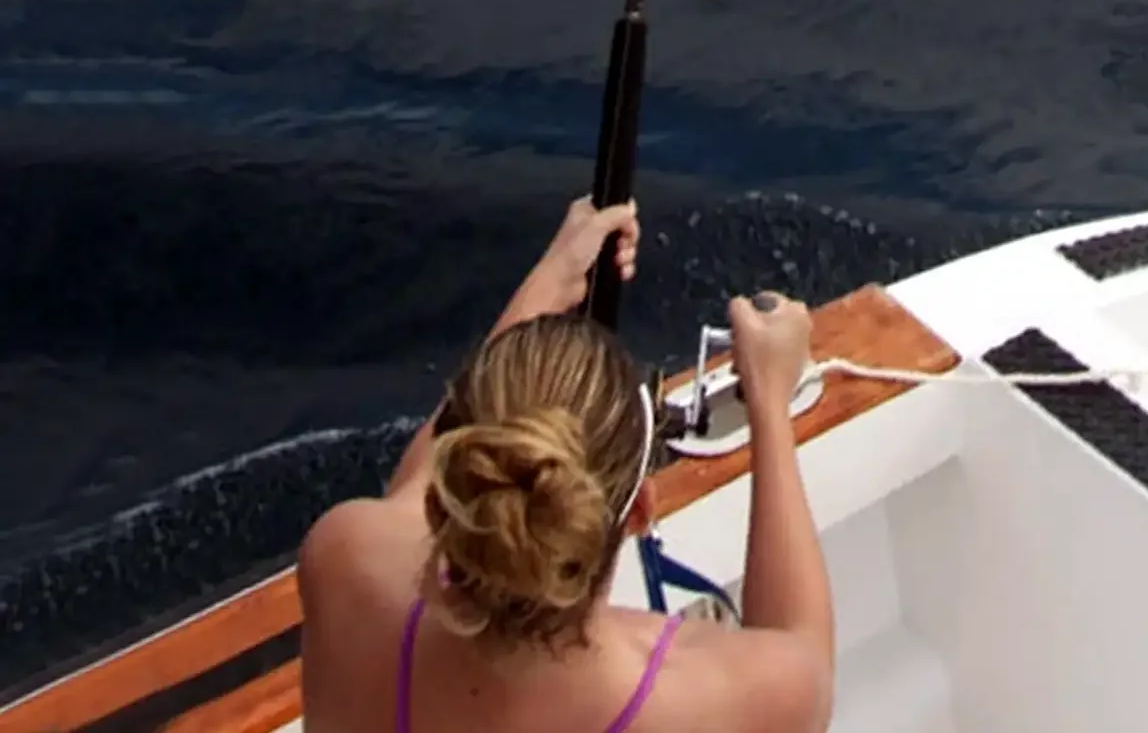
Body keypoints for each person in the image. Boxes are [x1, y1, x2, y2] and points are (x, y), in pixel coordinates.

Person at [299, 198, 834, 733]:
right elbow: (804, 654)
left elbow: (416, 490)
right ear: (639, 513)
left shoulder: (345, 562)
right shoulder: (686, 705)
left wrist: (550, 280)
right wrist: (767, 398)